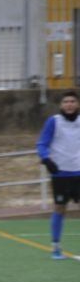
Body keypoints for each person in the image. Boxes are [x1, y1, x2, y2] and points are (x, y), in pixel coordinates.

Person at [36, 90, 80, 259]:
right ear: (61, 105)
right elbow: (42, 143)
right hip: (61, 174)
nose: (69, 104)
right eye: (66, 102)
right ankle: (55, 247)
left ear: (77, 104)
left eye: (72, 101)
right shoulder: (53, 122)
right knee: (60, 208)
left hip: (79, 172)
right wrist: (46, 160)